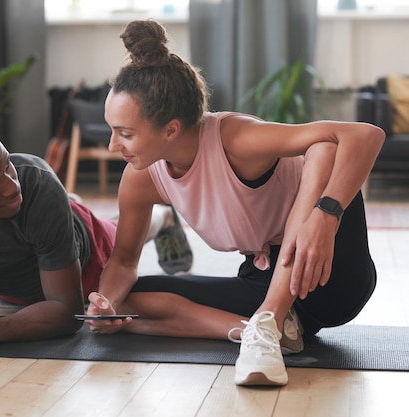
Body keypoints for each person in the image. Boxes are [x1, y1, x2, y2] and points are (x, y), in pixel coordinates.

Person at [84, 19, 385, 387]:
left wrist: (326, 217)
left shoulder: (236, 139)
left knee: (322, 148)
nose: (115, 146)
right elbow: (123, 261)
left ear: (171, 129)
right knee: (130, 302)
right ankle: (255, 330)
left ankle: (269, 322)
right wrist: (106, 304)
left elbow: (364, 134)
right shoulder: (142, 178)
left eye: (125, 134)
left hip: (329, 272)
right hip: (263, 278)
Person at [0, 118, 192, 352]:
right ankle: (69, 203)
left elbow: (66, 311)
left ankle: (162, 217)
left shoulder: (35, 186)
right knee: (52, 207)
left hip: (84, 262)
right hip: (4, 278)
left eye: (8, 164)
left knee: (120, 233)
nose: (12, 185)